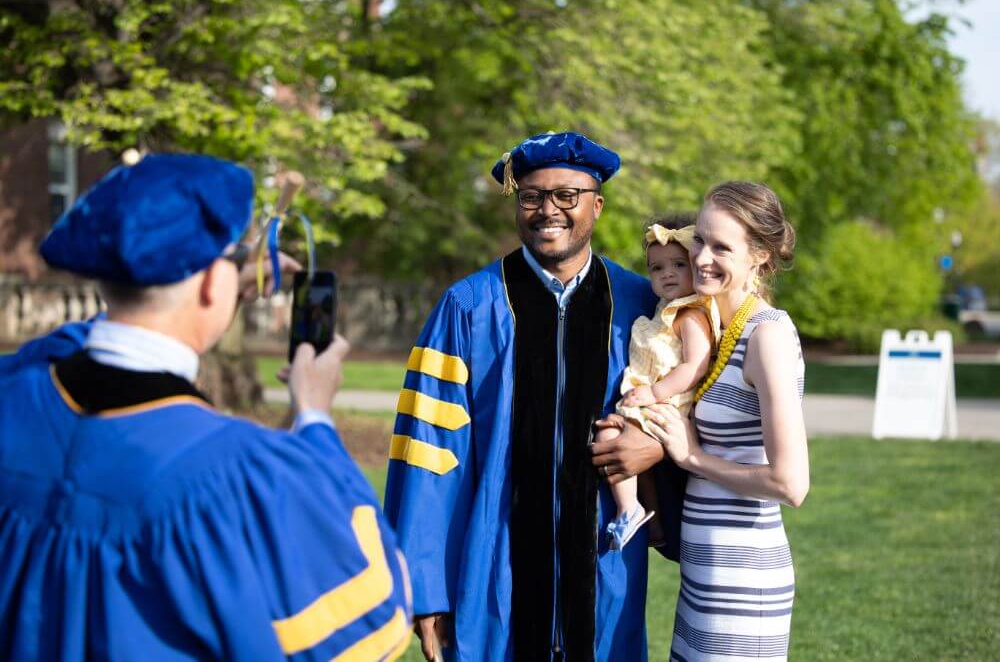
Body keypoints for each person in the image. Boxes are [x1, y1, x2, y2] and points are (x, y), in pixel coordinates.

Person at [0, 154, 412, 660]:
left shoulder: (15, 396)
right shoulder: (235, 476)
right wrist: (314, 417)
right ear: (210, 283)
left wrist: (212, 292)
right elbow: (376, 617)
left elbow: (68, 347)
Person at [383, 131, 684, 661]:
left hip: (604, 563)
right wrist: (425, 587)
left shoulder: (642, 302)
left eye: (567, 196)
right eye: (532, 196)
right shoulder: (467, 307)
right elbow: (426, 450)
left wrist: (659, 447)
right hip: (493, 565)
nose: (550, 210)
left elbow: (696, 403)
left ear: (597, 205)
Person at [592, 181, 809, 661]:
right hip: (704, 576)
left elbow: (791, 483)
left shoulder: (767, 336)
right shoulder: (714, 327)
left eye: (722, 247)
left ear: (760, 256)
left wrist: (693, 457)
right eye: (701, 240)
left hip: (743, 581)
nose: (703, 257)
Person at [595, 215, 718, 551]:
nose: (667, 273)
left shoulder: (691, 315)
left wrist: (654, 392)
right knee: (610, 438)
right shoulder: (662, 311)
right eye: (657, 267)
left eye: (679, 264)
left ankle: (631, 511)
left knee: (616, 443)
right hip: (647, 402)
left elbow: (695, 366)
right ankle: (643, 515)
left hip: (668, 405)